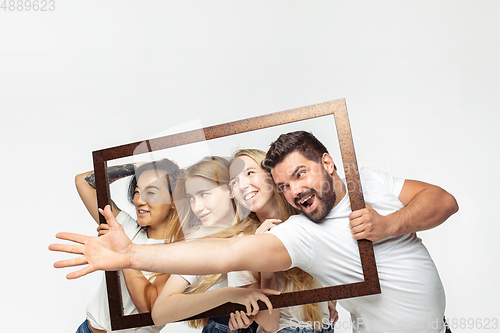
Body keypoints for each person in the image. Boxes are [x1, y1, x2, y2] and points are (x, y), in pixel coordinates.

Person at [51, 131, 458, 333]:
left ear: (329, 164)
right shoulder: (283, 236)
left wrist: (388, 224)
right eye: (286, 184)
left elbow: (443, 200)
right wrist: (133, 257)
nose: (295, 190)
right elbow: (222, 260)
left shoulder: (362, 185)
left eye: (300, 175)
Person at [151, 156, 278, 333]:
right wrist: (228, 295)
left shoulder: (260, 225)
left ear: (230, 189)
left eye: (203, 194)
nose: (197, 207)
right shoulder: (199, 242)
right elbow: (161, 312)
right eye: (191, 198)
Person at [227, 149, 336, 333]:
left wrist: (331, 300)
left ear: (271, 176)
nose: (243, 185)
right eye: (235, 182)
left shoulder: (309, 217)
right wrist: (265, 265)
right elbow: (269, 325)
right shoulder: (242, 243)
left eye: (249, 173)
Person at [74, 159, 180, 333]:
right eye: (137, 192)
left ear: (174, 200)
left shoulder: (181, 250)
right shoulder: (126, 228)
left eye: (151, 192)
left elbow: (150, 310)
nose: (139, 201)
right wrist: (139, 167)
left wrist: (121, 253)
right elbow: (83, 182)